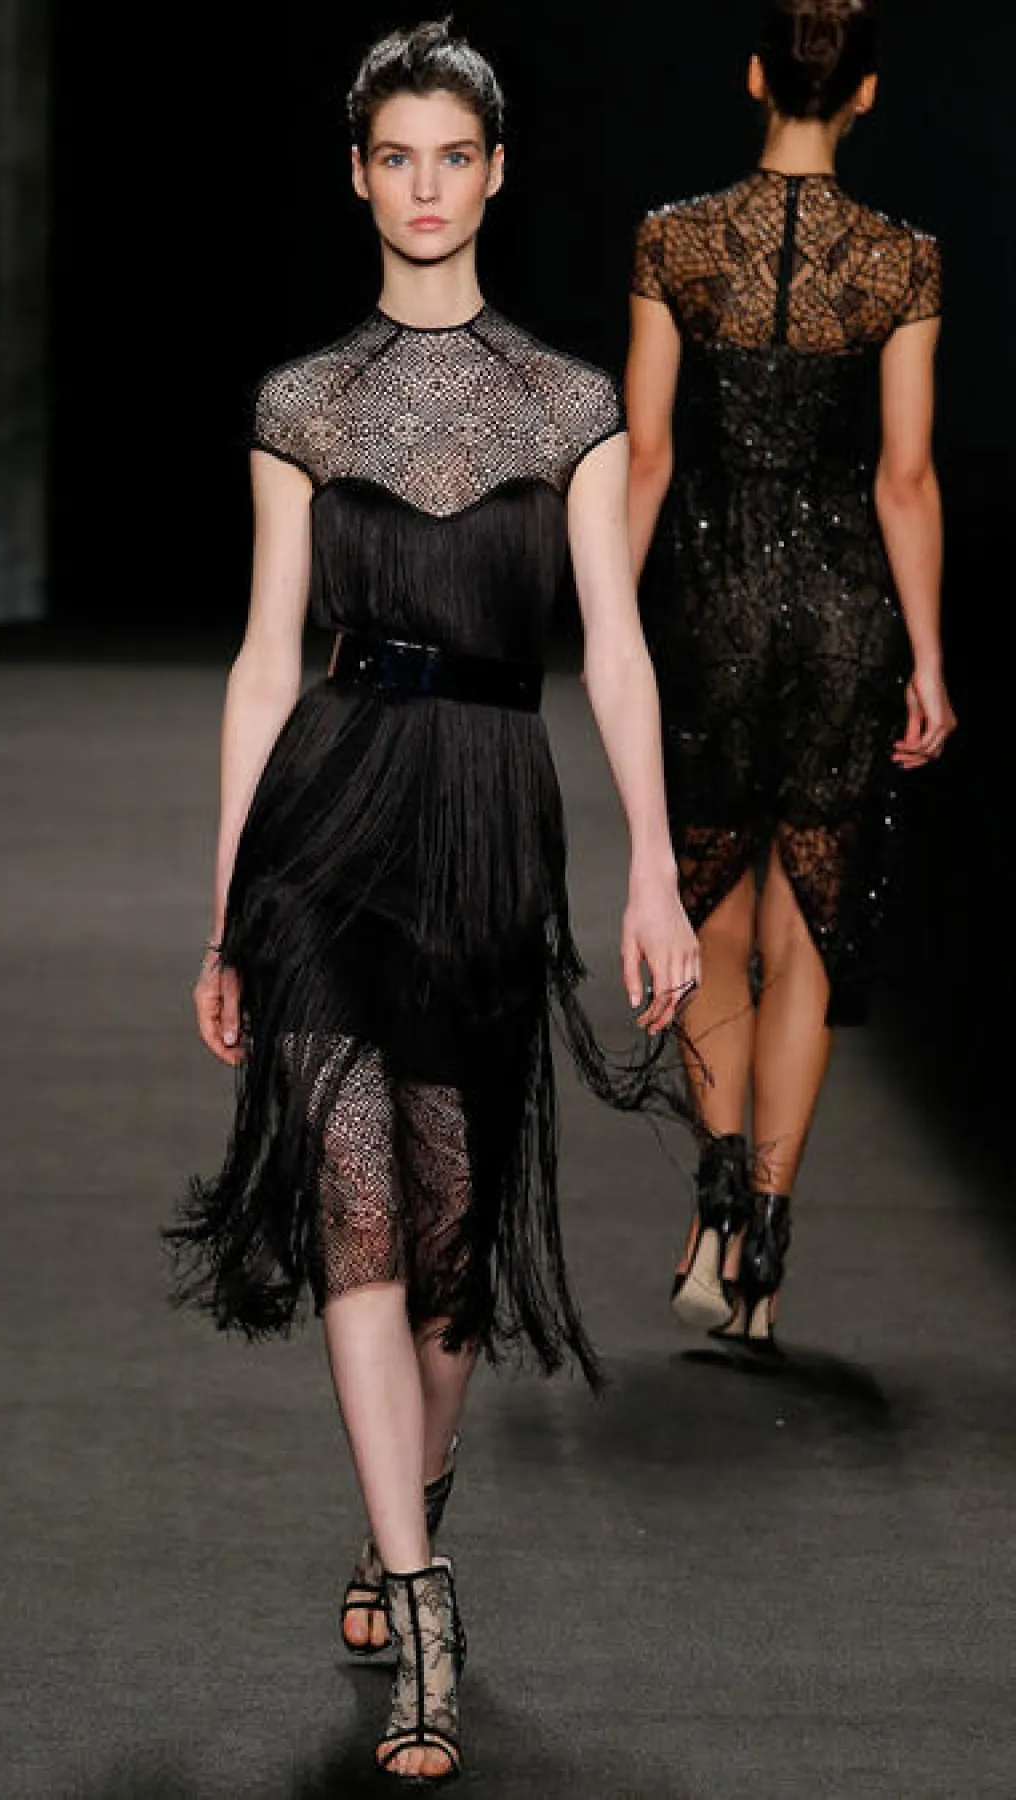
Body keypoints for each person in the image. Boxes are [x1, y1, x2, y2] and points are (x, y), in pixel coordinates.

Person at [165, 18, 699, 1787]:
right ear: (357, 176)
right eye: (393, 156)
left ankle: (419, 1487)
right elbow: (265, 662)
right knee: (357, 1207)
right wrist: (227, 908)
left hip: (484, 817)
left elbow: (614, 656)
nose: (422, 186)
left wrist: (655, 871)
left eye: (450, 157)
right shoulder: (302, 406)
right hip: (330, 817)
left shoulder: (571, 406)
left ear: (494, 174)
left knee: (453, 1256)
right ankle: (422, 1598)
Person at [624, 0, 956, 1357]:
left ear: (756, 76)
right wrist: (929, 656)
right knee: (804, 924)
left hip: (709, 602)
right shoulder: (901, 260)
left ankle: (713, 1196)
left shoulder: (674, 239)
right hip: (840, 614)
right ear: (865, 93)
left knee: (708, 911)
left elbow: (648, 456)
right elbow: (905, 478)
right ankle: (765, 1230)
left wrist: (604, 626)